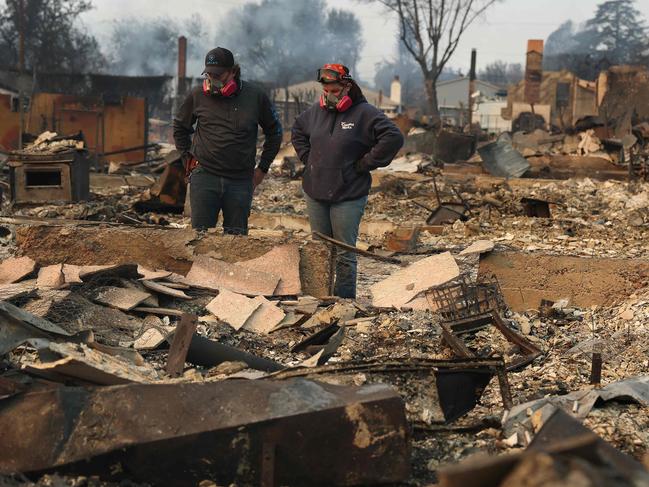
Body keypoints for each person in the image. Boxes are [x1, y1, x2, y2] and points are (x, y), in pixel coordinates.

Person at [291, 64, 404, 298]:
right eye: (326, 92)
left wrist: (365, 163)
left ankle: (343, 302)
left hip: (348, 194)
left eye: (335, 91)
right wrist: (307, 157)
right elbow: (297, 130)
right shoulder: (314, 113)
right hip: (315, 192)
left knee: (344, 253)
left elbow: (393, 137)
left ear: (347, 87)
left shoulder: (365, 113)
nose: (330, 96)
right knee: (320, 250)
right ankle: (319, 299)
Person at [173, 47, 283, 234]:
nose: (213, 80)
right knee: (199, 238)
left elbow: (275, 132)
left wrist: (262, 168)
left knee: (236, 240)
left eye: (219, 75)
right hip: (204, 176)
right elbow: (180, 128)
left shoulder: (255, 96)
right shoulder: (197, 95)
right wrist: (187, 160)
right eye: (209, 75)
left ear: (233, 72)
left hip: (240, 180)